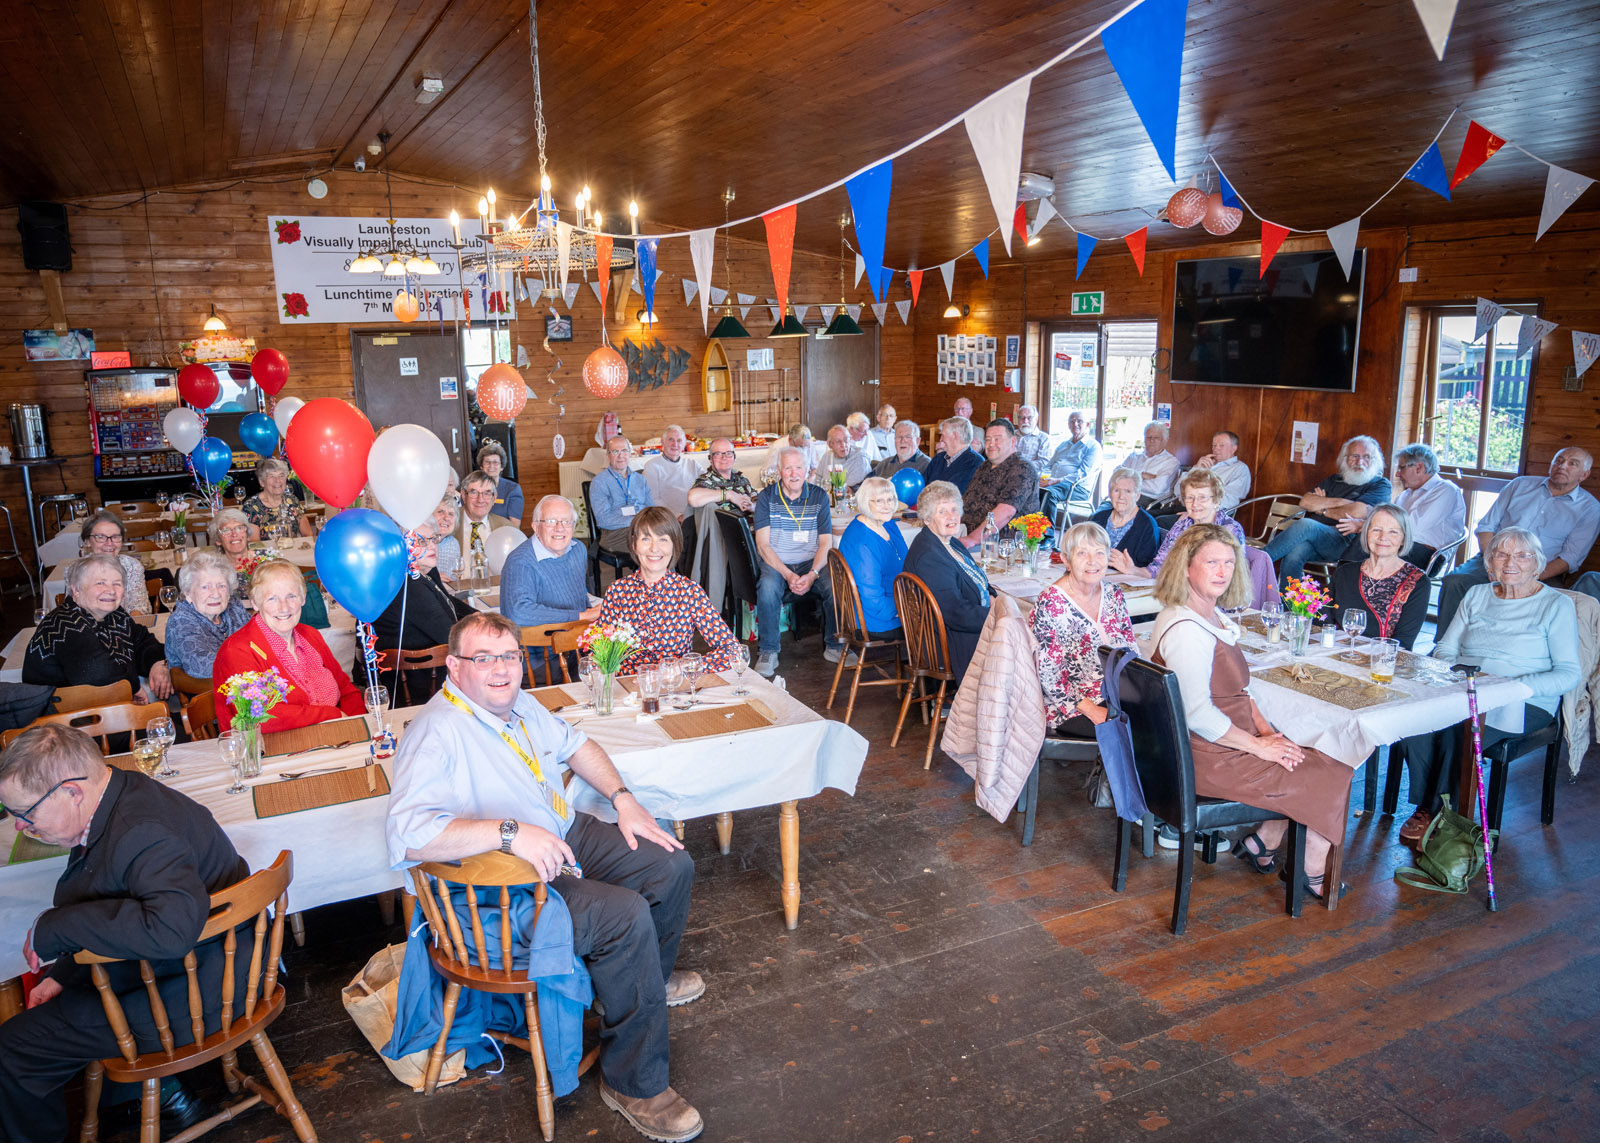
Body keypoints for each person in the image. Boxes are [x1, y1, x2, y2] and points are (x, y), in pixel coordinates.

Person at [384, 612, 704, 1143]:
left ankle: (638, 985)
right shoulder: (437, 732)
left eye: (509, 655)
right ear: (455, 667)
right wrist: (510, 834)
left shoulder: (518, 702)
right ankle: (634, 1084)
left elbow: (579, 747)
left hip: (557, 834)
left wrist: (623, 801)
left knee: (669, 863)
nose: (502, 669)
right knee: (622, 916)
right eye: (483, 658)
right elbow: (410, 835)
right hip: (501, 880)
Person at [0, 725, 251, 1143]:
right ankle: (135, 1099)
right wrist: (66, 971)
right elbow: (114, 896)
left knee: (10, 1051)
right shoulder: (121, 793)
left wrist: (54, 927)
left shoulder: (141, 829)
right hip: (195, 967)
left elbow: (169, 931)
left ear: (72, 792)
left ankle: (147, 1097)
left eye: (27, 813)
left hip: (198, 991)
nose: (22, 827)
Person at [1150, 525, 1353, 900]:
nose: (1222, 571)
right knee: (1334, 770)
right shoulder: (1186, 629)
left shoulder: (1208, 616)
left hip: (1222, 741)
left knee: (1313, 751)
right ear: (1186, 566)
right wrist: (1260, 748)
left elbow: (1242, 693)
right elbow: (1197, 715)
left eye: (1229, 562)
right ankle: (1310, 867)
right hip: (1204, 755)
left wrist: (1268, 733)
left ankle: (1265, 841)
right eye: (1211, 562)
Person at [1397, 526, 1582, 844]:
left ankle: (1446, 813)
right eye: (1501, 554)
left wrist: (1514, 687)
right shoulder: (1477, 594)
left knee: (1464, 729)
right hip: (1466, 687)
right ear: (1489, 563)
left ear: (1536, 564)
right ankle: (1430, 805)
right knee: (1414, 720)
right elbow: (1445, 647)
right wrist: (1454, 674)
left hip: (1523, 700)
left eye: (1522, 556)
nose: (1511, 562)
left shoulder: (1556, 605)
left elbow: (1568, 673)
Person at [1435, 447, 1598, 634]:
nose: (1563, 466)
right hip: (1493, 560)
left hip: (1540, 571)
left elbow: (1570, 559)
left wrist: (1525, 576)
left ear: (1584, 474)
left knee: (1545, 606)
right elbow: (1486, 527)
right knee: (1455, 581)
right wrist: (1493, 565)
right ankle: (1443, 645)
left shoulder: (1590, 509)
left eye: (1572, 463)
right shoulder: (1520, 485)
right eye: (1559, 460)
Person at [212, 560, 364, 733]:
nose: (284, 607)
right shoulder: (237, 651)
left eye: (291, 596)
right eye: (272, 598)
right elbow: (259, 717)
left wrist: (357, 727)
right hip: (274, 751)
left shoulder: (310, 635)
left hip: (335, 737)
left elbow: (346, 689)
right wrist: (331, 715)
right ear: (255, 603)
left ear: (303, 598)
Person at [596, 507, 740, 673]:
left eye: (663, 539)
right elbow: (602, 653)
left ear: (674, 546)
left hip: (673, 689)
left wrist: (682, 666)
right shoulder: (617, 592)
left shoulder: (689, 592)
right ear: (634, 545)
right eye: (646, 539)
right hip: (629, 692)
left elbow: (733, 651)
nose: (654, 548)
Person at [1031, 522, 1135, 736]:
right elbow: (1050, 676)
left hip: (1114, 692)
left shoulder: (1114, 594)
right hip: (1069, 705)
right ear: (1066, 560)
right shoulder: (1051, 602)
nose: (1092, 562)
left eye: (1099, 553)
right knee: (1134, 733)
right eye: (1082, 553)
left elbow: (1130, 646)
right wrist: (1093, 710)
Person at [24, 555, 173, 702]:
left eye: (117, 584)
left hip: (102, 710)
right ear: (76, 589)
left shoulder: (114, 614)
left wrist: (157, 663)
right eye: (100, 583)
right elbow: (96, 672)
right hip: (63, 718)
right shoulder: (64, 623)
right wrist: (133, 687)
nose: (111, 590)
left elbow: (142, 642)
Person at [752, 447, 844, 677]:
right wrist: (787, 574)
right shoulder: (766, 497)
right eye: (788, 468)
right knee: (768, 588)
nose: (794, 473)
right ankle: (768, 650)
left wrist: (813, 573)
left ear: (807, 470)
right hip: (777, 561)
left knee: (836, 584)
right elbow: (763, 545)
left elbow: (826, 543)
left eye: (799, 467)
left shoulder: (818, 496)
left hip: (810, 561)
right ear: (779, 471)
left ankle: (834, 646)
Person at [1265, 435, 1392, 588]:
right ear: (1345, 458)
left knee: (1306, 524)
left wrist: (1322, 509)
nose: (1360, 462)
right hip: (1317, 539)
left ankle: (1255, 563)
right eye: (1355, 456)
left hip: (1346, 542)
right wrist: (1341, 502)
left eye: (1366, 457)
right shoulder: (1334, 480)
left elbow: (1358, 512)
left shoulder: (1380, 484)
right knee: (1294, 553)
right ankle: (1291, 607)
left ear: (1375, 460)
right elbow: (1305, 502)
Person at [371, 521, 475, 699]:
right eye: (421, 542)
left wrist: (480, 618)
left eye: (433, 539)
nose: (432, 545)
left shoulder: (423, 572)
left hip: (434, 674)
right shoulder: (409, 585)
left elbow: (448, 602)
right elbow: (449, 635)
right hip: (420, 685)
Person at [901, 481, 991, 685]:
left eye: (954, 509)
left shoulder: (951, 543)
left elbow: (976, 577)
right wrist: (994, 616)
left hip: (961, 626)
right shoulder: (929, 555)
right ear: (927, 518)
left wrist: (992, 596)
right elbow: (955, 612)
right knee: (1022, 637)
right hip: (947, 640)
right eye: (942, 512)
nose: (952, 516)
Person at [1113, 468, 1244, 580]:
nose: (1195, 503)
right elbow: (1159, 567)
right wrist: (1133, 570)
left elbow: (1232, 579)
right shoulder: (1181, 526)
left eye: (1202, 497)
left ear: (1216, 500)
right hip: (1182, 594)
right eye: (1190, 497)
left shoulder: (1230, 529)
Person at [1330, 505, 1430, 651]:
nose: (1383, 537)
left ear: (1403, 538)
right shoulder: (1344, 573)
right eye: (1376, 530)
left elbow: (1403, 643)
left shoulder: (1417, 582)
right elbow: (1324, 623)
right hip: (1335, 654)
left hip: (1382, 663)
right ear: (1366, 533)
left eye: (1393, 532)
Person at [501, 495, 601, 628]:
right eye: (551, 521)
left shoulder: (578, 549)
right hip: (543, 644)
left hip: (578, 635)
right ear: (535, 527)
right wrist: (581, 616)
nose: (559, 528)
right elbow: (518, 613)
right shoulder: (520, 562)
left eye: (566, 521)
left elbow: (580, 596)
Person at [162, 549, 251, 679]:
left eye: (221, 586)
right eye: (205, 587)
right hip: (206, 694)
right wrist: (255, 658)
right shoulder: (180, 621)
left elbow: (259, 636)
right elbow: (202, 666)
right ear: (188, 593)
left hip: (247, 685)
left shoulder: (233, 605)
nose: (215, 594)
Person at [838, 477, 909, 636]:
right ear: (865, 502)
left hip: (898, 601)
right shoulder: (862, 542)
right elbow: (871, 598)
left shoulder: (888, 523)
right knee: (941, 620)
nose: (887, 506)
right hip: (877, 617)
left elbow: (906, 561)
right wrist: (901, 609)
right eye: (879, 501)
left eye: (890, 499)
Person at [960, 419, 1041, 548]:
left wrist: (972, 539)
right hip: (966, 534)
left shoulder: (1022, 468)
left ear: (1013, 441)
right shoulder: (985, 466)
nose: (991, 444)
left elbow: (1006, 512)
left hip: (1000, 545)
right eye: (988, 439)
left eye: (997, 439)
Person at [642, 425, 705, 576]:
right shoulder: (652, 466)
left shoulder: (693, 465)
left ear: (684, 444)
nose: (675, 444)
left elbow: (706, 486)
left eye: (679, 440)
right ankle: (681, 580)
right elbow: (652, 499)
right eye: (670, 440)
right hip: (667, 518)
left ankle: (700, 579)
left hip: (693, 514)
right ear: (663, 443)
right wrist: (676, 515)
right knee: (688, 533)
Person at [1386, 442, 1466, 555]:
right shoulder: (1405, 495)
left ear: (1419, 467)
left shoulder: (1446, 490)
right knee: (1359, 545)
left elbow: (1413, 529)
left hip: (1427, 554)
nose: (1397, 475)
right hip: (1400, 546)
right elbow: (1389, 518)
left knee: (1368, 556)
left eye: (1401, 468)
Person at [73, 511, 154, 616]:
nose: (109, 543)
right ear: (87, 541)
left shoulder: (132, 566)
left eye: (115, 537)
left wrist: (128, 627)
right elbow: (74, 610)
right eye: (101, 537)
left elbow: (139, 605)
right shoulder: (78, 570)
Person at [590, 436, 654, 564]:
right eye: (615, 452)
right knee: (651, 545)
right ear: (608, 455)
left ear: (630, 453)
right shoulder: (599, 482)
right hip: (614, 534)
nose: (621, 456)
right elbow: (603, 520)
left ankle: (666, 582)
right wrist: (637, 521)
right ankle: (656, 582)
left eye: (624, 451)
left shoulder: (640, 479)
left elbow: (651, 510)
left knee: (666, 540)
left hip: (642, 530)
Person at [1089, 467, 1161, 569]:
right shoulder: (1099, 518)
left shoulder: (1147, 525)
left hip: (1127, 581)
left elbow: (1148, 569)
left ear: (1137, 495)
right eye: (1116, 490)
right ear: (1110, 494)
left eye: (1128, 491)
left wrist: (1129, 567)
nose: (1121, 496)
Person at [456, 469, 518, 577]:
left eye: (487, 493)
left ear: (494, 497)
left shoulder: (506, 527)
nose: (480, 500)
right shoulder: (449, 525)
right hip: (456, 590)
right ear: (463, 495)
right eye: (474, 492)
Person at [242, 457, 313, 541]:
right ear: (261, 482)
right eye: (272, 476)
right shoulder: (251, 507)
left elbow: (308, 535)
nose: (278, 480)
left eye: (281, 475)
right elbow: (254, 544)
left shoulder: (292, 500)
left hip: (293, 551)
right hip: (267, 553)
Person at [1042, 411, 1102, 501]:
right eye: (1072, 421)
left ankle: (1045, 516)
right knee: (1029, 490)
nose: (1075, 424)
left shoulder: (1093, 446)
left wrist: (1058, 480)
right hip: (1054, 485)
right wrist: (1041, 477)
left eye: (1080, 421)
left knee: (1048, 494)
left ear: (1087, 424)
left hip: (1077, 488)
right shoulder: (1063, 445)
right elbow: (1048, 466)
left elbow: (1083, 473)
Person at [1187, 430, 1251, 512]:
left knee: (1165, 522)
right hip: (1188, 506)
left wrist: (1197, 509)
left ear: (1233, 448)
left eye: (1221, 445)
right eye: (1214, 445)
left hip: (1211, 513)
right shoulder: (1205, 463)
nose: (1216, 448)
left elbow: (1230, 500)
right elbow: (1178, 491)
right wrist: (1196, 467)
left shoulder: (1240, 468)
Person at [687, 438, 757, 513]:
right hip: (726, 524)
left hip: (753, 523)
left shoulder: (741, 478)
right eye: (718, 454)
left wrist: (752, 506)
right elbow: (692, 498)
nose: (724, 458)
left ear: (734, 456)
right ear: (710, 458)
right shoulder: (706, 480)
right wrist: (729, 495)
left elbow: (759, 500)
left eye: (728, 453)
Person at [921, 417, 983, 495]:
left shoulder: (975, 463)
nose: (941, 440)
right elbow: (922, 485)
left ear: (955, 436)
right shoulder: (939, 458)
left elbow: (955, 494)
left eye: (943, 435)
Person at [1124, 421, 1181, 506]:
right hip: (1122, 494)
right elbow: (1116, 475)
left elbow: (1157, 488)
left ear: (1165, 441)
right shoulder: (1133, 456)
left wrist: (1127, 480)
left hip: (1147, 501)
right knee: (1101, 512)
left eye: (1156, 438)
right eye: (1148, 437)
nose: (1151, 440)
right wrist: (1141, 475)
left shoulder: (1171, 462)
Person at [209, 507, 259, 598]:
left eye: (239, 528)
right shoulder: (214, 568)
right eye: (226, 530)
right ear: (218, 540)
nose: (234, 534)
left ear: (247, 535)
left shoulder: (265, 560)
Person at [476, 440, 526, 526]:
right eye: (487, 462)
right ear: (481, 466)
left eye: (495, 462)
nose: (491, 466)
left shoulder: (513, 489)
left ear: (501, 467)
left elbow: (514, 526)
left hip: (503, 535)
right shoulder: (473, 487)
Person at [811, 424, 871, 491]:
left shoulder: (860, 458)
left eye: (846, 440)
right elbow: (817, 479)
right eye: (838, 441)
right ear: (830, 444)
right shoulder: (827, 456)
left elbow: (848, 489)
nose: (843, 445)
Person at [1013, 405, 1053, 469]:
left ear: (1036, 420)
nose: (1025, 421)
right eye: (1022, 417)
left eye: (1029, 418)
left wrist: (1022, 466)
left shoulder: (1044, 438)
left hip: (1031, 475)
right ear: (1017, 419)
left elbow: (1044, 462)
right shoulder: (1010, 435)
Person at [433, 496, 463, 580]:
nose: (446, 517)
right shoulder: (420, 542)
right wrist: (433, 577)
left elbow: (454, 579)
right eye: (440, 512)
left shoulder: (453, 543)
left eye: (451, 514)